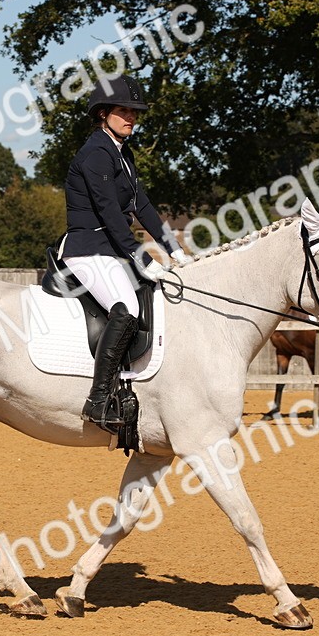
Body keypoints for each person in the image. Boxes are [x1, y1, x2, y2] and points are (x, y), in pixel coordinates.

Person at [61, 73, 191, 426]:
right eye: (124, 110)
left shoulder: (122, 152)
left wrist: (173, 248)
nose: (131, 117)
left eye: (135, 112)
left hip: (109, 250)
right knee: (128, 308)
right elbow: (109, 215)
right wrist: (142, 257)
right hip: (87, 249)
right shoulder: (95, 154)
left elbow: (142, 205)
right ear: (103, 113)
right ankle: (99, 399)